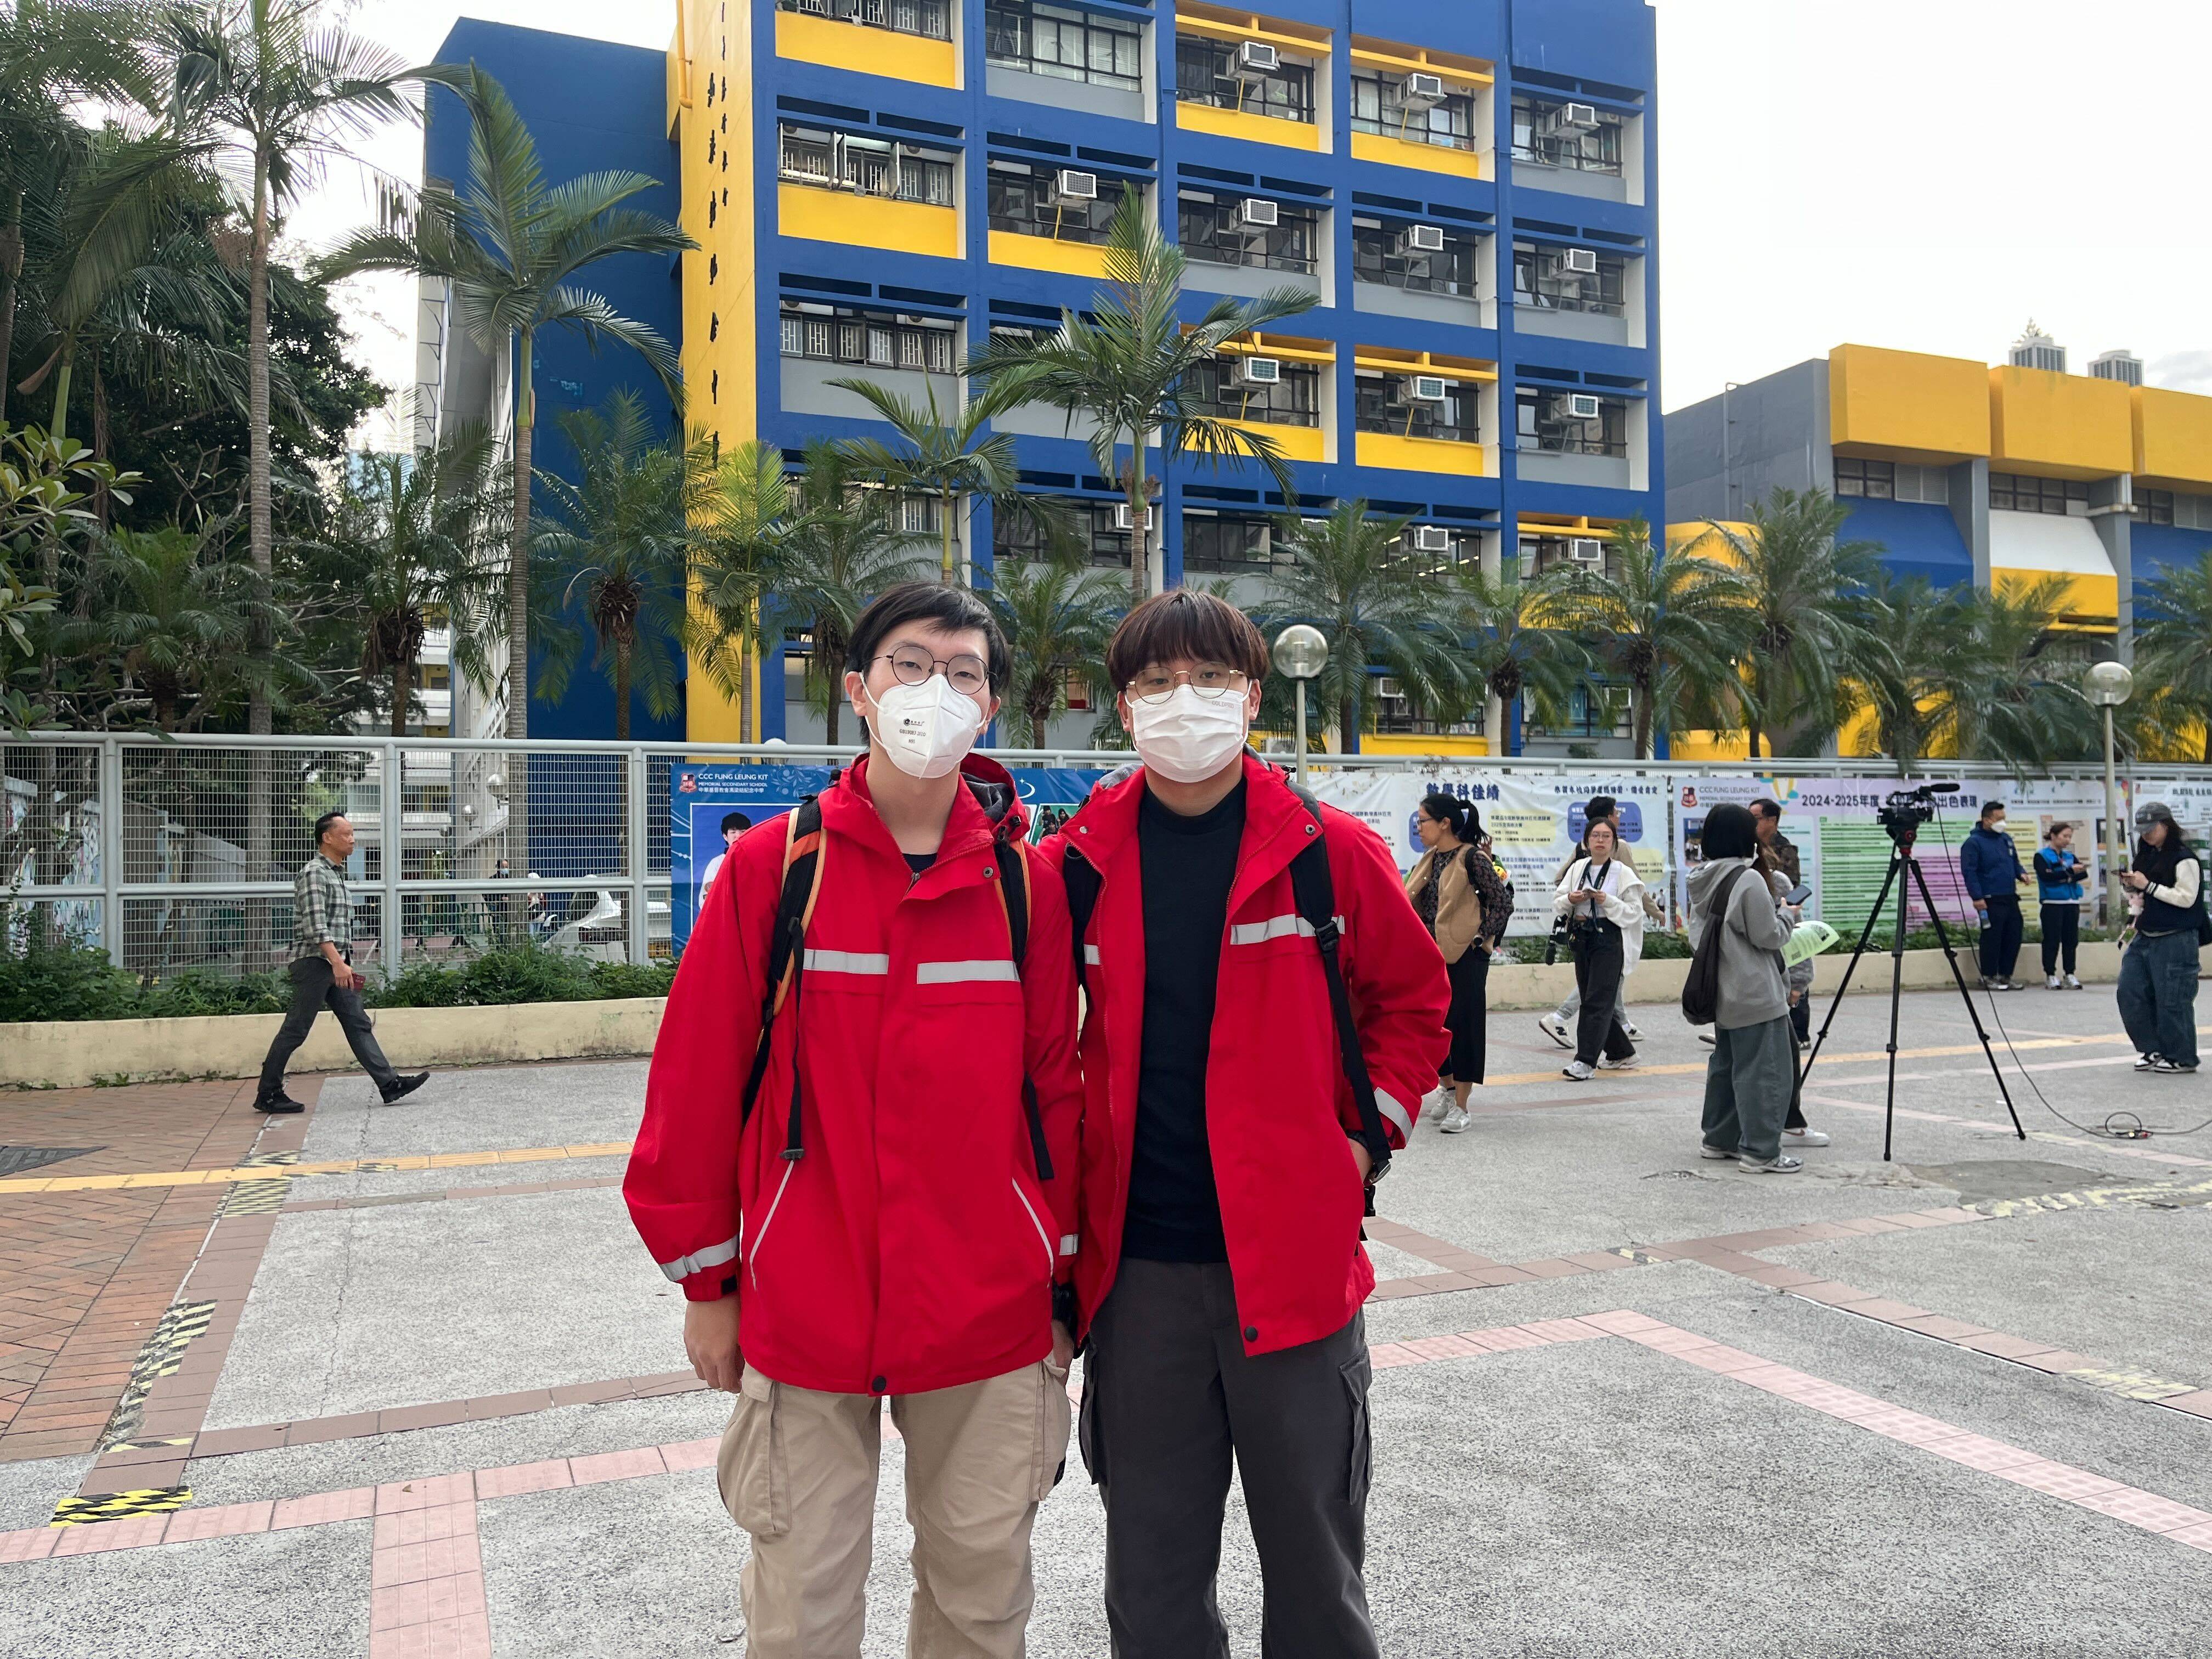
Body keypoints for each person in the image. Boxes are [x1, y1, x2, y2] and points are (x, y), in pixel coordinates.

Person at [624, 584, 1085, 1659]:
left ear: (993, 707)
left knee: (981, 1603)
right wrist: (710, 1289)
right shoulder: (773, 872)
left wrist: (1064, 1291)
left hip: (991, 1316)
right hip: (804, 1305)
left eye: (965, 672)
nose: (937, 690)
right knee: (802, 1612)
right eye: (911, 665)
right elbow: (694, 1088)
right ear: (857, 693)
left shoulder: (1030, 888)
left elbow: (1058, 1100)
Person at [1042, 588, 1447, 1659]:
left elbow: (1414, 1003)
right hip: (1139, 1288)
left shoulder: (1327, 853)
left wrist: (1367, 1138)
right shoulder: (1078, 865)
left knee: (1317, 1582)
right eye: (1158, 683)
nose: (1187, 702)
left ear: (1255, 698)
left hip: (1297, 1276)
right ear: (1123, 709)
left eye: (1212, 680)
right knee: (1154, 1586)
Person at [253, 812, 429, 1114]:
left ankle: (389, 1084)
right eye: (346, 834)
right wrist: (336, 962)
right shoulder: (314, 873)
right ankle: (268, 1093)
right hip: (315, 963)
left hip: (335, 963)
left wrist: (341, 963)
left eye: (352, 833)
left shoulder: (335, 873)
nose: (353, 839)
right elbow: (316, 926)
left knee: (357, 1022)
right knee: (296, 1028)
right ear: (327, 838)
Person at [1686, 804, 1802, 1173]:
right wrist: (1787, 913)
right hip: (1754, 992)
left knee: (1727, 1066)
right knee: (1765, 1072)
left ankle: (1719, 1140)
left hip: (1723, 990)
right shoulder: (1748, 879)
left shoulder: (1702, 878)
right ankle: (1761, 1151)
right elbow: (1769, 936)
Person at [1407, 792, 1509, 1135]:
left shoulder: (1473, 858)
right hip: (1430, 956)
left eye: (1423, 821)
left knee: (1464, 1027)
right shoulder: (1432, 859)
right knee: (1434, 1027)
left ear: (1444, 823)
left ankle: (1463, 1106)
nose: (1419, 827)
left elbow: (1501, 904)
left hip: (1465, 957)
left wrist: (1480, 943)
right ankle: (1449, 1091)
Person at [1538, 795, 1644, 1048]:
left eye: (1606, 836)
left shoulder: (1621, 868)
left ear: (1612, 840)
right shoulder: (1579, 864)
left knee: (1599, 995)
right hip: (1582, 933)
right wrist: (1572, 898)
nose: (1601, 840)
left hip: (1609, 933)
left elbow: (1635, 899)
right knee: (1595, 993)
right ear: (1587, 838)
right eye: (1595, 835)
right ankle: (1621, 1046)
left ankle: (1587, 1056)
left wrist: (1608, 900)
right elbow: (1559, 892)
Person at [2117, 800, 2203, 1075]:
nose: (2146, 835)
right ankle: (2151, 1047)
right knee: (2129, 992)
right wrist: (2130, 887)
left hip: (2176, 936)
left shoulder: (2184, 857)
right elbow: (2140, 890)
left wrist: (2148, 885)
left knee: (2173, 998)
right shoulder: (2145, 853)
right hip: (2145, 933)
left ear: (2166, 825)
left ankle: (2182, 1057)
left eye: (2151, 829)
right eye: (2141, 830)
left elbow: (2187, 899)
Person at [1751, 799, 1812, 1047]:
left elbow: (1792, 886)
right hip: (1763, 916)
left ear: (1771, 821)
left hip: (1784, 914)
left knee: (1794, 963)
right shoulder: (1750, 844)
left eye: (1755, 817)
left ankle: (1799, 1033)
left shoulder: (1785, 849)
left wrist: (1786, 910)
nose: (1750, 821)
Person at [1961, 800, 2029, 990]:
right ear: (1986, 820)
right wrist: (1977, 897)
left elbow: (2015, 862)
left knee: (2013, 935)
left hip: (2009, 896)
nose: (2003, 823)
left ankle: (2005, 975)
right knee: (1992, 937)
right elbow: (1970, 872)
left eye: (2004, 818)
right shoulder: (1973, 843)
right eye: (1999, 819)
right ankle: (1988, 976)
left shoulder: (2006, 839)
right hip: (1989, 898)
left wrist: (2021, 873)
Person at [2035, 822, 2088, 989]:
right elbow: (2046, 877)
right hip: (2052, 903)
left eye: (2069, 837)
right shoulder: (2042, 856)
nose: (2067, 840)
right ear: (2053, 835)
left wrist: (2065, 875)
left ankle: (2069, 973)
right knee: (2052, 939)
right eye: (2064, 836)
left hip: (2072, 902)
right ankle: (2050, 975)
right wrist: (2070, 873)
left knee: (2071, 940)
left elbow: (2083, 874)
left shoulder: (2070, 857)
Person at [698, 810, 753, 902]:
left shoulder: (757, 860)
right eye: (733, 832)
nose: (739, 836)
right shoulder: (716, 864)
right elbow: (706, 900)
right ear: (725, 836)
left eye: (743, 831)